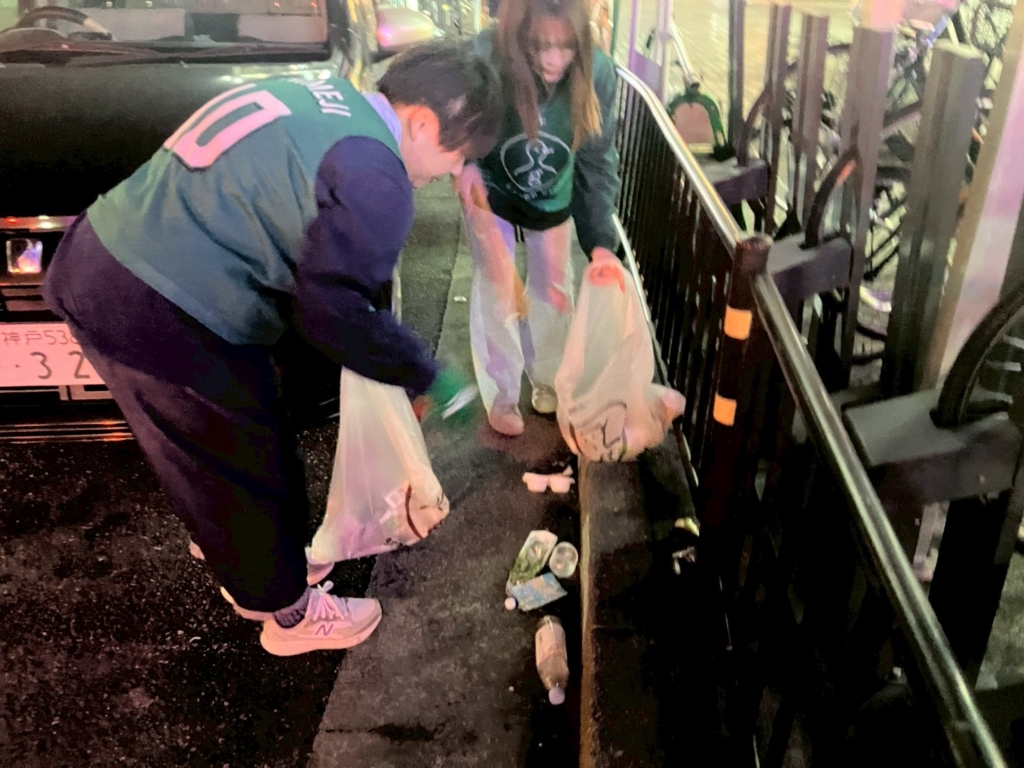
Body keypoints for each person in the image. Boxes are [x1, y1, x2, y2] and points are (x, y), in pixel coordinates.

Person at [42, 41, 502, 656]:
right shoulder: (378, 175)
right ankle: (286, 613)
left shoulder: (316, 90)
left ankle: (242, 550)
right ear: (421, 121)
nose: (451, 171)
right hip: (166, 304)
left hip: (97, 256)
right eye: (457, 153)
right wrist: (429, 376)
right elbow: (334, 311)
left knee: (208, 444)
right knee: (245, 460)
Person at [455, 0, 621, 437]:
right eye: (539, 46)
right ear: (516, 35)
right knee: (496, 290)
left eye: (566, 47)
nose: (553, 60)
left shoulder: (598, 71)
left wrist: (601, 242)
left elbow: (597, 161)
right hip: (491, 190)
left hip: (554, 195)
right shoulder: (484, 57)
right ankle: (502, 392)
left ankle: (548, 376)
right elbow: (462, 138)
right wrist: (464, 170)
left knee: (553, 289)